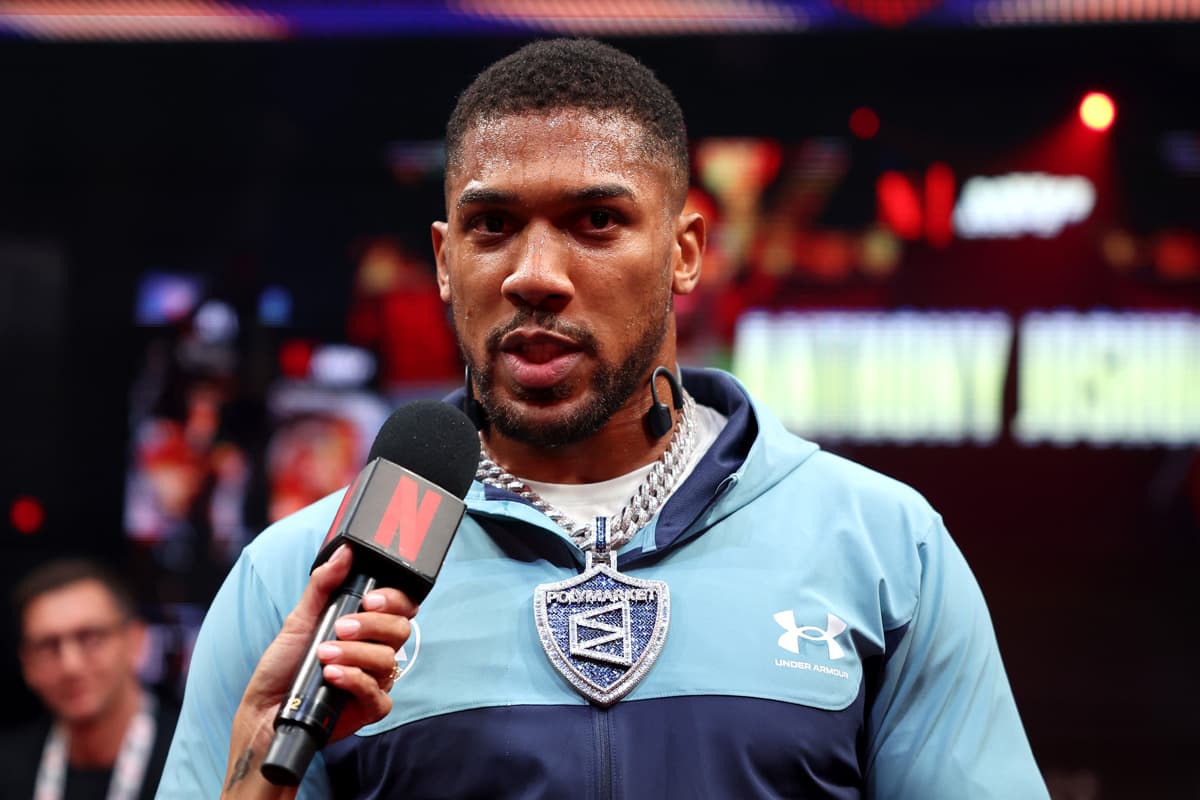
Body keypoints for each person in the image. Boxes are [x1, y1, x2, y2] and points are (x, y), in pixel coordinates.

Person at [160, 38, 1049, 798]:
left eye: (595, 220)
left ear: (685, 252)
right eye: (494, 225)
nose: (534, 273)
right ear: (443, 259)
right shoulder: (303, 581)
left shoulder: (884, 548)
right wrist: (260, 777)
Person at [1, 558, 179, 800]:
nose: (70, 665)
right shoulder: (8, 769)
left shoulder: (197, 758)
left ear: (136, 642)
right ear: (27, 664)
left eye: (90, 638)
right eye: (48, 647)